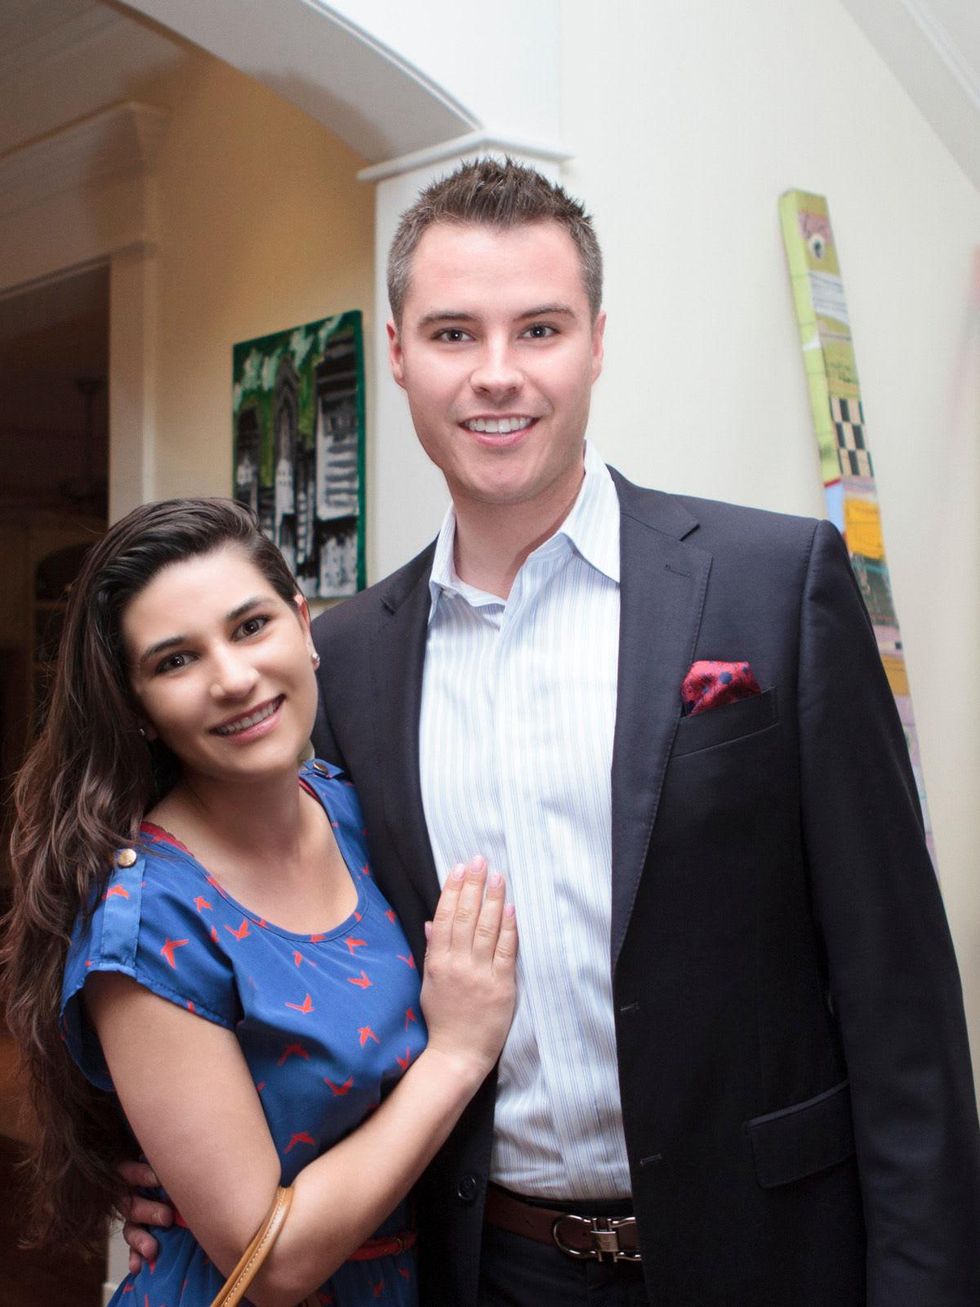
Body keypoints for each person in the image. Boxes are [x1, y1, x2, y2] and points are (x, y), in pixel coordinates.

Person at [126, 160, 980, 1305]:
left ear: (593, 341)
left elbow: (901, 1002)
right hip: (490, 1263)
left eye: (537, 327)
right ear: (393, 352)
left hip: (770, 1251)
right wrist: (164, 1158)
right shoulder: (352, 661)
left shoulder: (772, 585)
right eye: (450, 333)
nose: (495, 375)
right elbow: (291, 940)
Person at [0, 498, 517, 1306]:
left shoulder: (348, 805)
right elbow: (263, 1262)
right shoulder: (148, 917)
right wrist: (456, 1054)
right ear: (136, 708)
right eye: (175, 661)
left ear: (303, 624)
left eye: (250, 626)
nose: (233, 677)